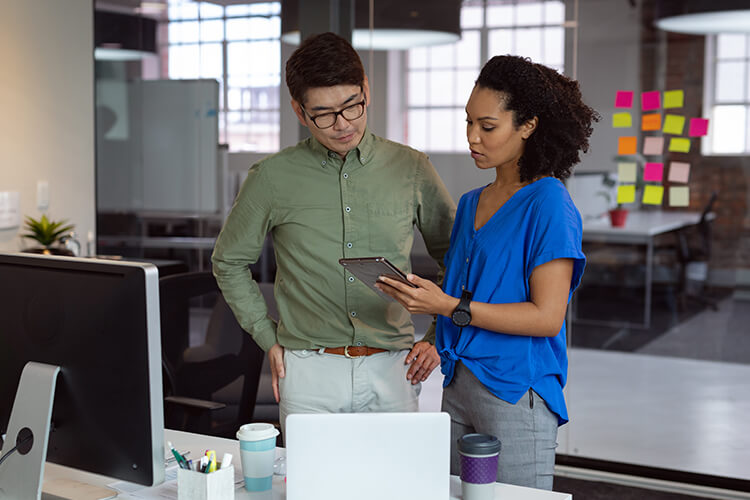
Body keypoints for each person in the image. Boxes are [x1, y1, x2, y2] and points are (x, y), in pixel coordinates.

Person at [211, 32, 456, 437]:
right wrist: (266, 335)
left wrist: (436, 336)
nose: (343, 125)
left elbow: (457, 257)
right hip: (308, 370)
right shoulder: (271, 177)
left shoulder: (411, 168)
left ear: (366, 90)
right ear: (299, 110)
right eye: (323, 114)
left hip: (393, 367)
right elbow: (229, 261)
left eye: (352, 107)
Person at [376, 55, 597, 490]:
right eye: (468, 123)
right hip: (459, 384)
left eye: (488, 126)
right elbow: (466, 294)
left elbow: (546, 317)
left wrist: (448, 306)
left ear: (528, 126)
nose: (472, 138)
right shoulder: (472, 204)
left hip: (516, 390)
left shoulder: (548, 204)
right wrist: (436, 335)